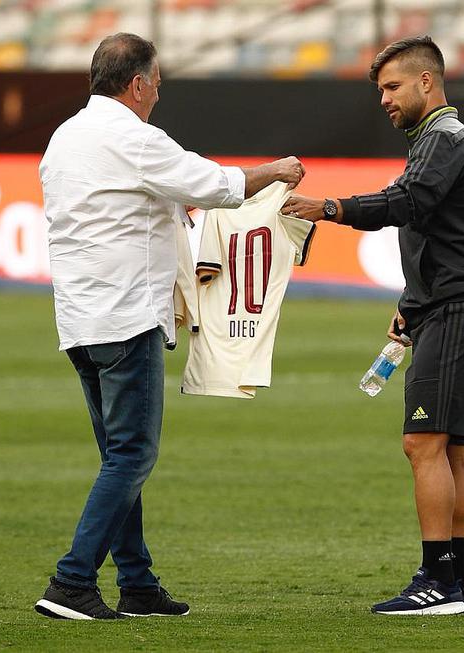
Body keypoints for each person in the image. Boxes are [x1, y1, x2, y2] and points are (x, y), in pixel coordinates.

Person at [35, 32, 304, 620]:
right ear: (136, 84)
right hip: (126, 315)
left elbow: (116, 204)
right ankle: (71, 581)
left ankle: (137, 584)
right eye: (156, 81)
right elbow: (217, 185)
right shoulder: (133, 136)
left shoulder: (64, 138)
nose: (159, 92)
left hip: (79, 318)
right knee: (132, 457)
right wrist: (279, 169)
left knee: (118, 458)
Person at [281, 35, 464, 616]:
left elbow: (408, 203)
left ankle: (437, 582)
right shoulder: (438, 139)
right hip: (447, 306)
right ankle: (456, 582)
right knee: (448, 449)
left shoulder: (446, 138)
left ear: (427, 82)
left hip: (458, 310)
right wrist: (414, 301)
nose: (384, 99)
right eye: (381, 89)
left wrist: (332, 208)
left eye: (392, 86)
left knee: (422, 443)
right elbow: (437, 229)